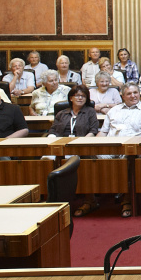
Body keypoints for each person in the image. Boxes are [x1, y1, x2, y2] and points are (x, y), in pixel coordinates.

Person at [97, 82, 141, 217]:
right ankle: (91, 199)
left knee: (127, 159)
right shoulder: (114, 110)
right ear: (123, 96)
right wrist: (93, 145)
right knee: (90, 159)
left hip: (132, 148)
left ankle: (127, 199)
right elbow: (103, 132)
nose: (133, 96)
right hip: (110, 148)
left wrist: (138, 147)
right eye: (129, 94)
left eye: (135, 93)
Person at [48, 84, 101, 217]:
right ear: (71, 98)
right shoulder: (62, 113)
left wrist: (81, 142)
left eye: (83, 96)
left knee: (86, 164)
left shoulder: (90, 112)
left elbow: (93, 130)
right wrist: (53, 140)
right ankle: (52, 199)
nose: (80, 98)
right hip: (61, 146)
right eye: (77, 95)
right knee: (46, 160)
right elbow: (53, 130)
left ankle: (90, 200)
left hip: (81, 147)